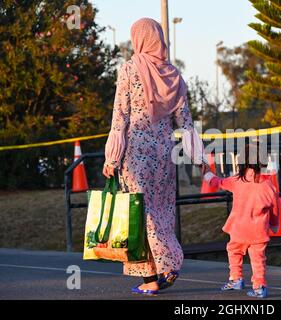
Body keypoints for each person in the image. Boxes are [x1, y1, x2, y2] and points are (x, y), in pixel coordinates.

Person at [102, 18, 199, 296]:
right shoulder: (173, 75)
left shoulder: (130, 69)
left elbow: (120, 117)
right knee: (163, 211)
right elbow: (186, 121)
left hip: (135, 154)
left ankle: (164, 267)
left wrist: (111, 160)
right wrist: (197, 155)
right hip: (164, 154)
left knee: (140, 213)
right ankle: (156, 275)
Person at [202, 143, 279, 298]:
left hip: (239, 229)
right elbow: (274, 208)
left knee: (234, 251)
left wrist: (207, 174)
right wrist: (274, 225)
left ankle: (236, 279)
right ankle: (259, 287)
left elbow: (218, 182)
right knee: (258, 260)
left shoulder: (237, 180)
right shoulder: (268, 185)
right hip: (259, 231)